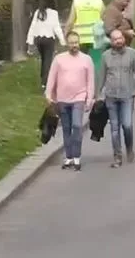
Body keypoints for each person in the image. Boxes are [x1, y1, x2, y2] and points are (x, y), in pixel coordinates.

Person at [45, 31, 94, 170]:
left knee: (77, 126)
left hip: (79, 98)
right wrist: (49, 95)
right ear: (67, 44)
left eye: (76, 43)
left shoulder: (86, 59)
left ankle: (77, 156)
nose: (74, 45)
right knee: (66, 128)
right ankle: (69, 157)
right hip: (62, 99)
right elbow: (51, 78)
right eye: (72, 43)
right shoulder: (59, 59)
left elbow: (90, 81)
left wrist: (89, 99)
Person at [98, 28, 135, 168]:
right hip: (111, 96)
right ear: (111, 42)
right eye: (115, 39)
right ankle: (117, 156)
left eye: (120, 38)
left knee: (127, 125)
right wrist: (97, 94)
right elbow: (101, 76)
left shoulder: (132, 54)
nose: (118, 41)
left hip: (127, 95)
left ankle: (129, 149)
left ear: (124, 39)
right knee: (114, 128)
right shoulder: (105, 56)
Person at [63, 0, 106, 78]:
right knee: (95, 65)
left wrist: (66, 34)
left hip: (80, 39)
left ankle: (81, 87)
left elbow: (70, 21)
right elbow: (104, 18)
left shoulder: (76, 3)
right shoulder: (99, 2)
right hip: (96, 39)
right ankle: (94, 89)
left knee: (80, 65)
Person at [26, 0, 64, 89]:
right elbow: (56, 28)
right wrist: (62, 40)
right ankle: (45, 82)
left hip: (38, 39)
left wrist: (30, 41)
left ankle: (43, 77)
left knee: (43, 59)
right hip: (49, 39)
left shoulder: (38, 12)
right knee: (48, 60)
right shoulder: (54, 13)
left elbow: (33, 27)